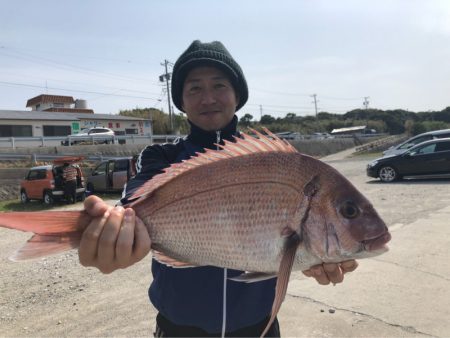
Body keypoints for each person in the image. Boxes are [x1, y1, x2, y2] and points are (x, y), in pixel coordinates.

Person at [79, 40, 358, 337]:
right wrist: (115, 232)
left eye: (219, 86)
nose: (208, 97)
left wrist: (316, 256)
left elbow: (289, 242)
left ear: (238, 95)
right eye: (195, 88)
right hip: (178, 330)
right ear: (181, 102)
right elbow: (131, 207)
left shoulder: (273, 162)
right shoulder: (160, 158)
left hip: (259, 328)